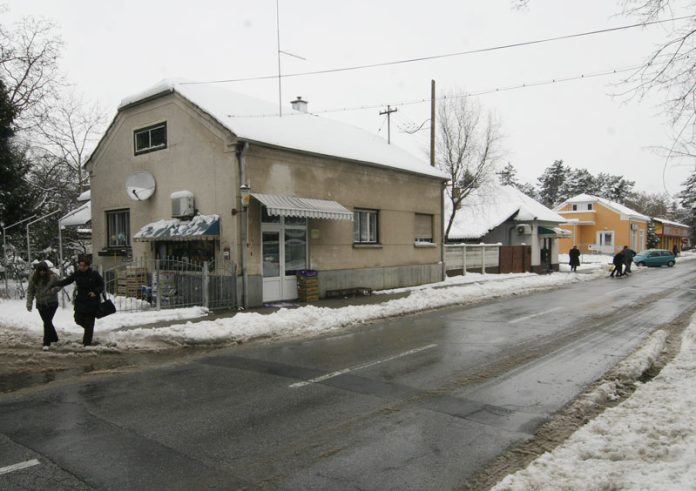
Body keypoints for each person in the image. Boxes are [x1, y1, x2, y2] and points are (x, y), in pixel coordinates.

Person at [55, 256, 104, 347]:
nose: (81, 267)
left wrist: (95, 292)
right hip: (81, 301)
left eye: (83, 266)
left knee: (89, 321)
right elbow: (68, 280)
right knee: (77, 319)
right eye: (80, 265)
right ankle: (89, 329)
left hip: (91, 302)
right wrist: (57, 283)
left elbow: (101, 285)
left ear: (87, 266)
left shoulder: (94, 274)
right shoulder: (77, 274)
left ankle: (87, 344)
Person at [26, 261, 60, 351]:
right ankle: (55, 338)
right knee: (47, 321)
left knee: (47, 322)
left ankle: (46, 342)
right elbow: (30, 291)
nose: (42, 272)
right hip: (40, 304)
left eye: (44, 270)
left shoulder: (53, 277)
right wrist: (29, 303)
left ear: (47, 270)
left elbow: (60, 284)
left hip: (52, 303)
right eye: (40, 270)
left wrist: (53, 290)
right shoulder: (34, 279)